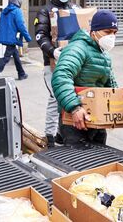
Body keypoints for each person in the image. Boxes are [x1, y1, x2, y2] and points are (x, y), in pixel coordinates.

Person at [51, 10, 119, 146]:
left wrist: (115, 108)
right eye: (107, 32)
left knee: (99, 160)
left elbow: (110, 85)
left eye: (114, 32)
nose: (111, 36)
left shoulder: (103, 54)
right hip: (75, 120)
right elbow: (61, 77)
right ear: (94, 31)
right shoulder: (77, 49)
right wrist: (74, 108)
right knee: (77, 162)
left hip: (96, 118)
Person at [34, 0, 80, 147]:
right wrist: (53, 51)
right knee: (55, 97)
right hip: (53, 63)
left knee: (70, 96)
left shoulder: (76, 9)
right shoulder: (45, 11)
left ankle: (63, 133)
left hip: (74, 62)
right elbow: (40, 36)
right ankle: (50, 136)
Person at [0, 0, 32, 80]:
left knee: (16, 55)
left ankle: (21, 73)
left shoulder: (5, 11)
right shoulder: (17, 11)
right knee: (6, 57)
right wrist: (28, 37)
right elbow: (21, 26)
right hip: (12, 38)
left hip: (7, 37)